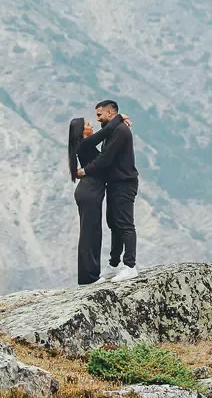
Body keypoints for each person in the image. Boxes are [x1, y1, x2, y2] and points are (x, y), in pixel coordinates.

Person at [79, 99, 138, 281]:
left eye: (99, 115)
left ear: (109, 113)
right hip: (114, 184)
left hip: (124, 183)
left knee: (125, 224)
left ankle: (130, 265)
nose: (97, 119)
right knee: (114, 223)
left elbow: (105, 158)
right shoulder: (112, 130)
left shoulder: (120, 131)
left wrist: (84, 171)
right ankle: (113, 264)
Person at [67, 116, 106, 285]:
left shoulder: (84, 145)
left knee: (92, 232)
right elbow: (106, 132)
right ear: (82, 131)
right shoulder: (85, 144)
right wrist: (119, 118)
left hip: (90, 191)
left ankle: (90, 275)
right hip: (89, 192)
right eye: (88, 124)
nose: (92, 125)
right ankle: (89, 277)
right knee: (89, 234)